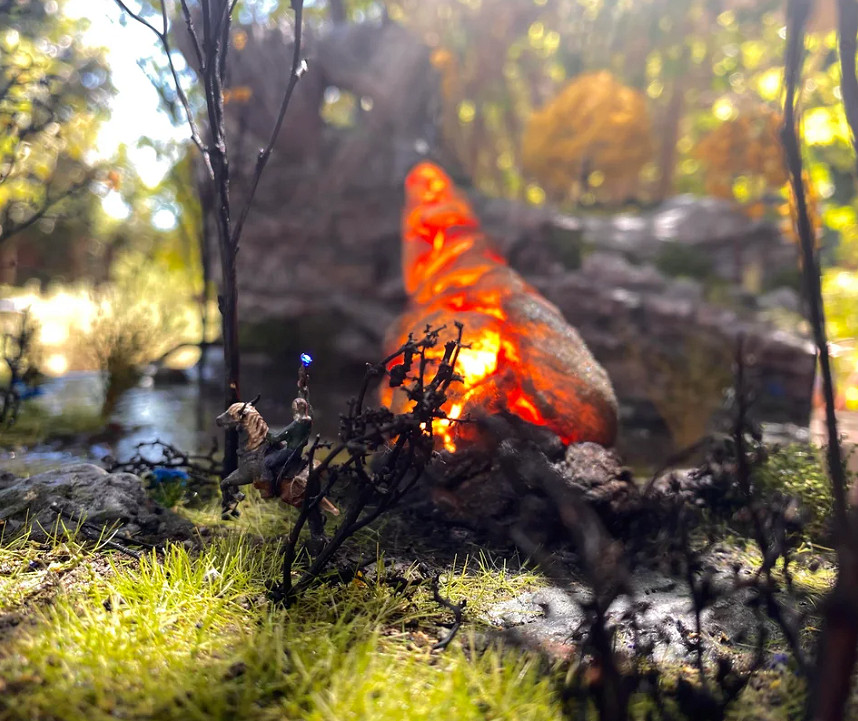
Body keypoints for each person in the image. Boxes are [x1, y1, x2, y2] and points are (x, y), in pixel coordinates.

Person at [262, 397, 313, 497]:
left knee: (266, 462)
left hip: (290, 451)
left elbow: (276, 438)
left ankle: (270, 489)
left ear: (296, 409)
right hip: (298, 450)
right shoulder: (308, 421)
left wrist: (265, 432)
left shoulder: (296, 424)